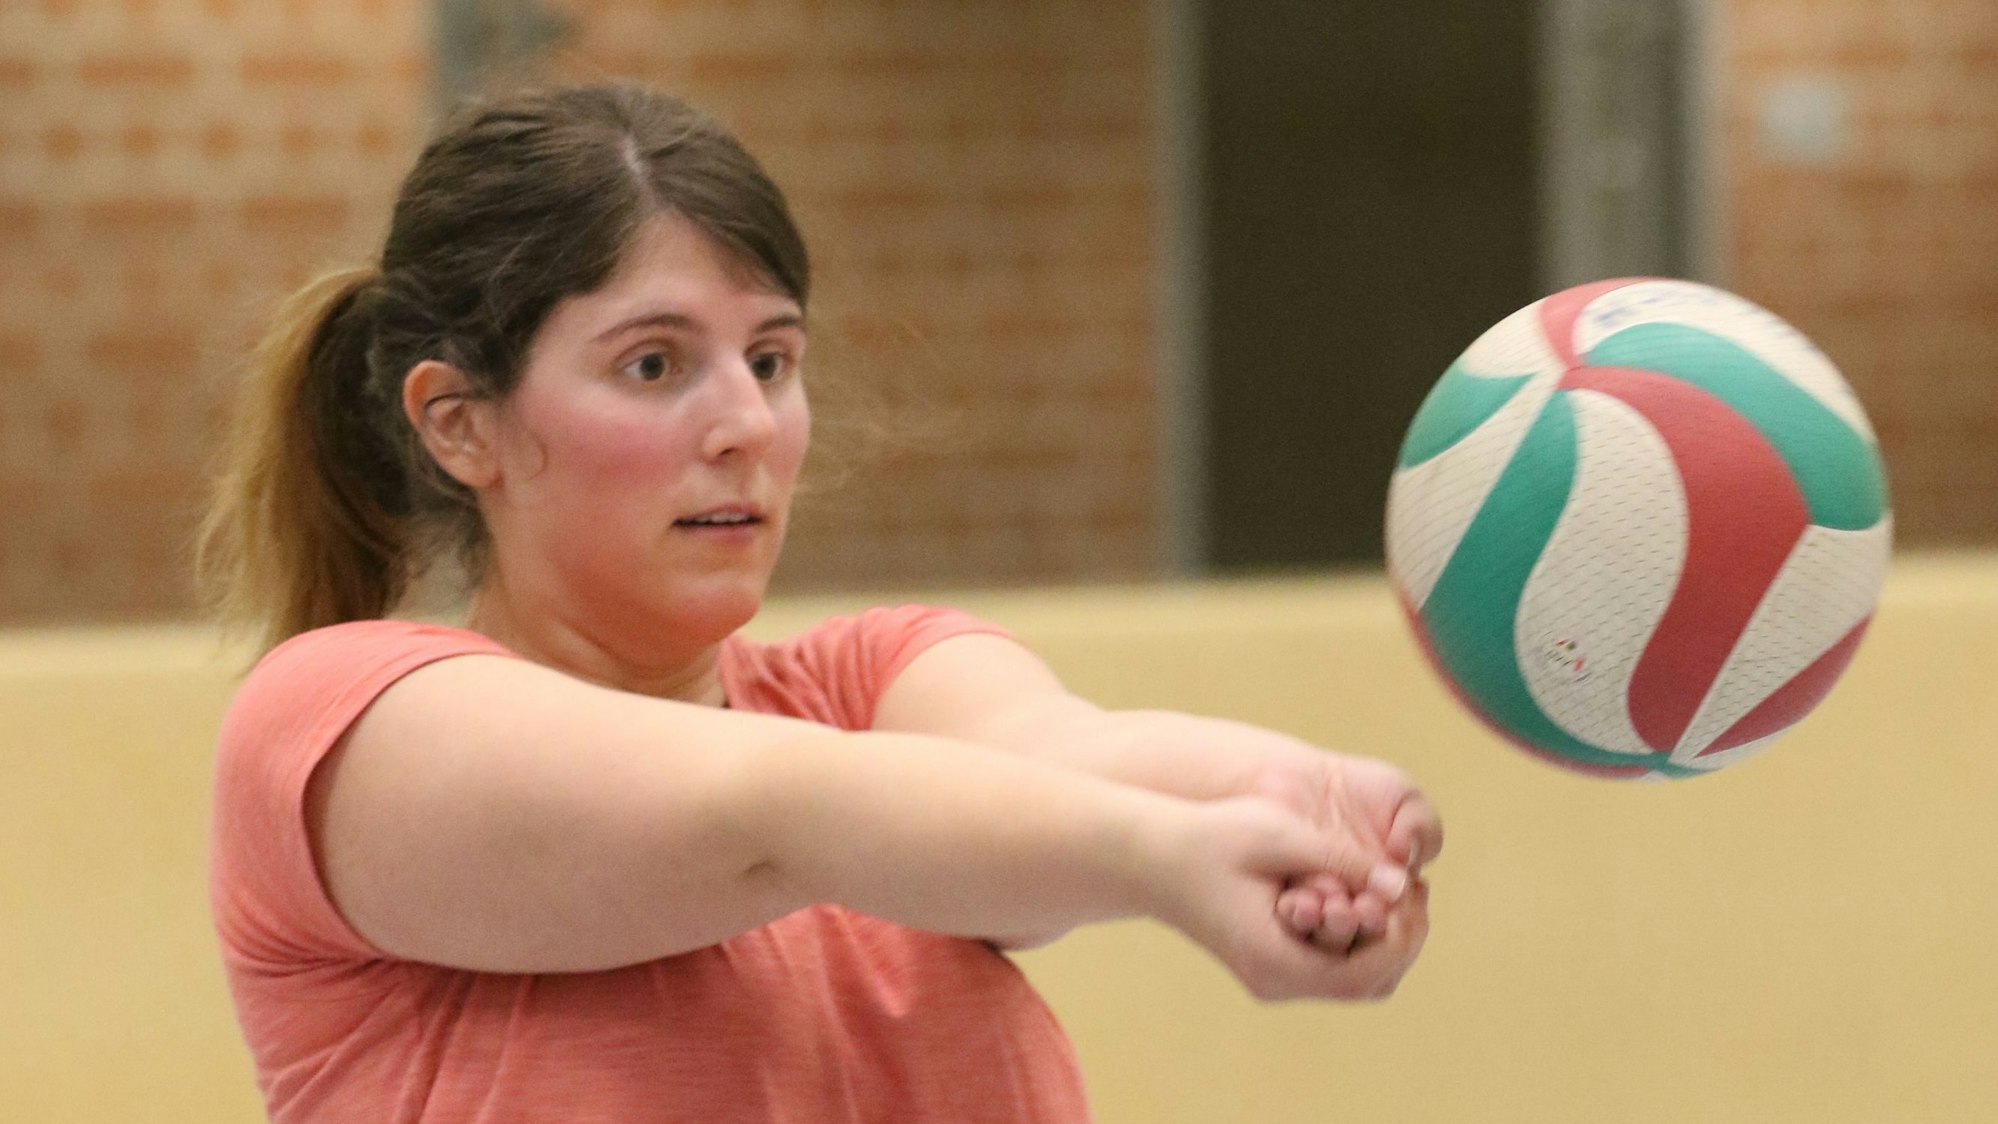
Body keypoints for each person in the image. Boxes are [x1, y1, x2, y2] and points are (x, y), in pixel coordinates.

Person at [198, 83, 1441, 1124]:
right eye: (653, 363)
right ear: (461, 424)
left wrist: (1302, 797)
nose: (744, 423)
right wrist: (1169, 856)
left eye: (772, 359)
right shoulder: (344, 721)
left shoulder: (877, 679)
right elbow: (777, 813)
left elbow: (1068, 757)